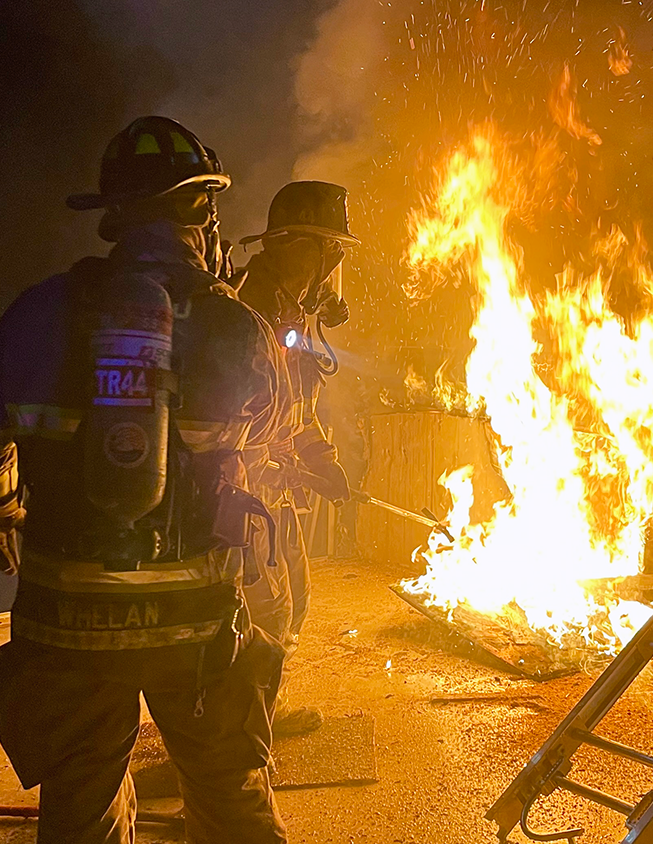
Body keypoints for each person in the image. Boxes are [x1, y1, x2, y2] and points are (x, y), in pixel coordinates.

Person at [0, 116, 287, 844]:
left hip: (65, 623)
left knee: (81, 800)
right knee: (229, 794)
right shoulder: (235, 326)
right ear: (200, 212)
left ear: (114, 217)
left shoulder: (37, 312)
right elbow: (273, 428)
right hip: (195, 626)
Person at [232, 180, 358, 736]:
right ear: (302, 247)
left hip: (278, 489)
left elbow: (296, 408)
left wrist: (321, 460)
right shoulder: (243, 312)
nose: (334, 269)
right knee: (261, 614)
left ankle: (263, 711)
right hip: (243, 494)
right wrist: (273, 468)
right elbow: (225, 424)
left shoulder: (292, 316)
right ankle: (235, 735)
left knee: (293, 604)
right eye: (333, 253)